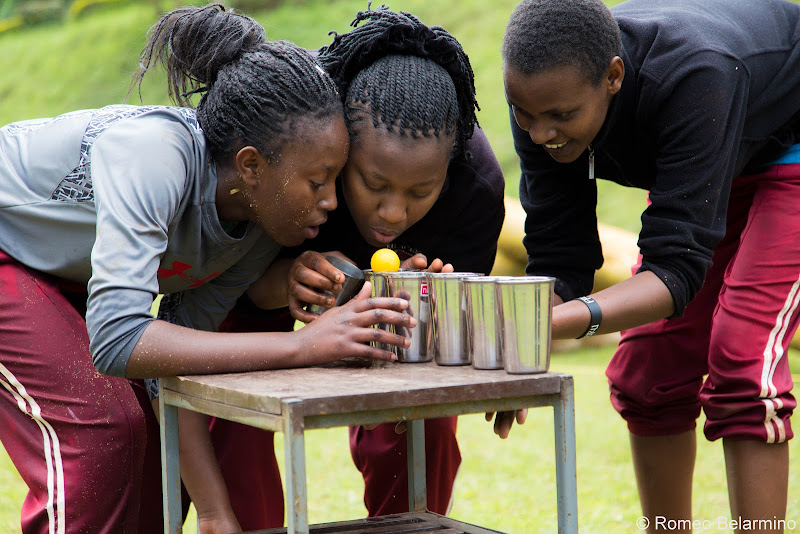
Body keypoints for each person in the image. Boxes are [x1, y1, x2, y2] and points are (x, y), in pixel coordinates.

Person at [0, 4, 415, 533]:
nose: (332, 201)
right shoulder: (156, 157)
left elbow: (169, 371)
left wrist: (215, 511)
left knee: (148, 448)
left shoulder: (259, 230)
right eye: (318, 181)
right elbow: (117, 340)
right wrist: (302, 347)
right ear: (251, 165)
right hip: (8, 251)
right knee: (103, 432)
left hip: (61, 273)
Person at [500, 0, 800, 531]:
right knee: (648, 371)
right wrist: (522, 350)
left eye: (561, 117)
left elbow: (675, 270)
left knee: (742, 355)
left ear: (613, 77)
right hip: (718, 156)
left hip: (789, 144)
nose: (540, 133)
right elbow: (559, 255)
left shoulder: (693, 75)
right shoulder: (542, 93)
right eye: (525, 115)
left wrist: (557, 324)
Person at [207, 5, 506, 529]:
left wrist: (435, 306)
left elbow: (456, 332)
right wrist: (288, 280)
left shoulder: (475, 189)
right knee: (236, 428)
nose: (392, 214)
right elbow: (240, 291)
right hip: (252, 310)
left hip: (395, 337)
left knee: (425, 429)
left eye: (421, 192)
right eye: (373, 184)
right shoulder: (299, 152)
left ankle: (410, 525)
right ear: (341, 142)